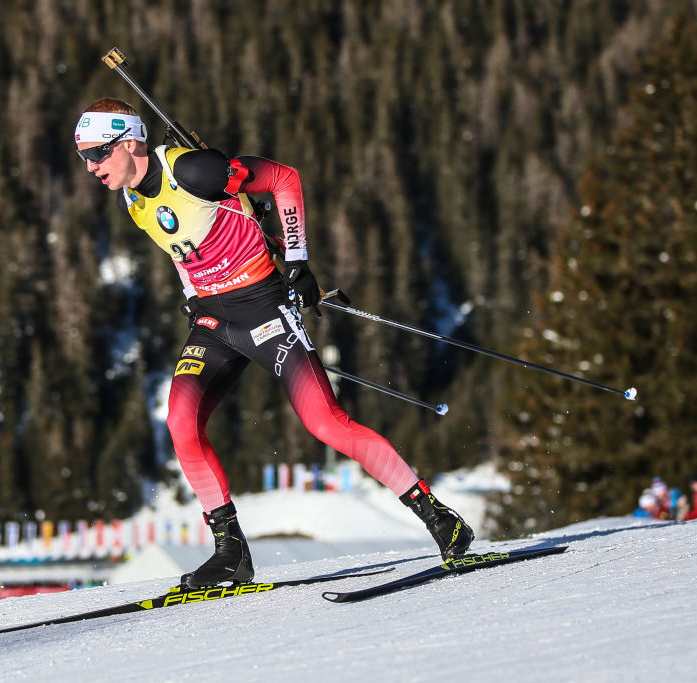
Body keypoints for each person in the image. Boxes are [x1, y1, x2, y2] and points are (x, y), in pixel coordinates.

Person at [74, 98, 474, 588]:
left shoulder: (194, 170)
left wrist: (299, 262)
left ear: (130, 141)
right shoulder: (131, 200)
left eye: (97, 153)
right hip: (215, 323)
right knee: (181, 420)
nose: (91, 167)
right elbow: (180, 246)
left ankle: (439, 518)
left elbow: (283, 179)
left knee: (326, 423)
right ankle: (230, 552)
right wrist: (192, 295)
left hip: (265, 308)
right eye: (84, 157)